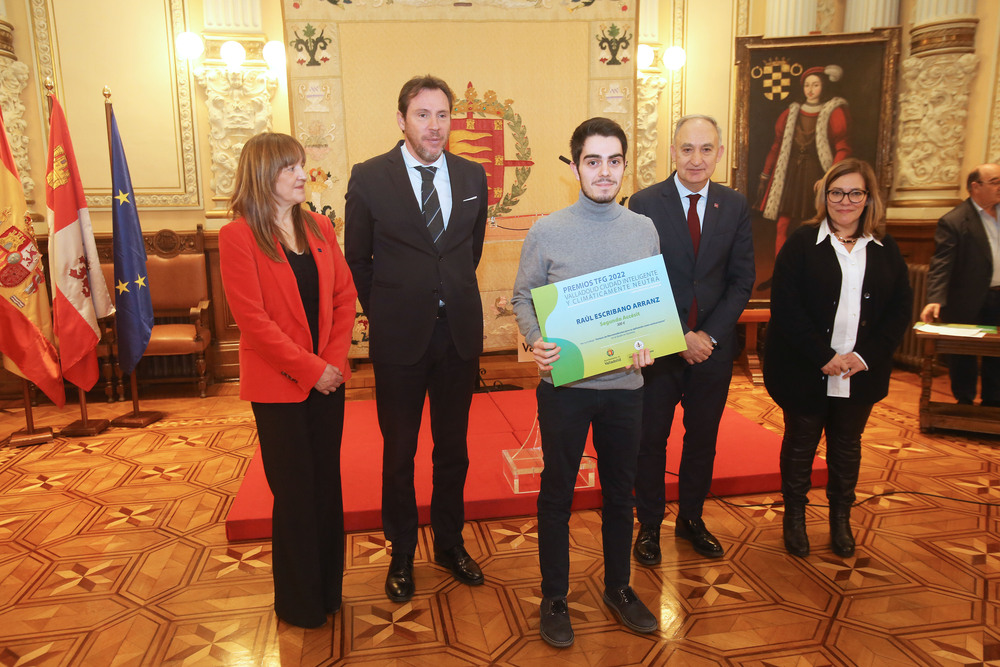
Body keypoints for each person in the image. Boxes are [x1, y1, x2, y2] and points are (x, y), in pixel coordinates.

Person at [511, 117, 660, 648]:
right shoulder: (547, 230)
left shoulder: (643, 230)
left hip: (625, 390)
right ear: (575, 166)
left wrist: (650, 339)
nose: (604, 171)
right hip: (566, 389)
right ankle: (554, 596)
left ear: (624, 164)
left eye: (613, 160)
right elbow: (523, 296)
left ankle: (619, 588)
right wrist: (535, 341)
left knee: (622, 493)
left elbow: (649, 307)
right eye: (592, 161)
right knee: (557, 492)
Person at [344, 75, 489, 603]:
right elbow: (356, 259)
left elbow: (465, 252)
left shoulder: (472, 175)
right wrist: (387, 308)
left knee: (454, 449)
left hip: (458, 337)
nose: (434, 125)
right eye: (423, 114)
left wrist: (441, 293)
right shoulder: (368, 177)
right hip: (400, 340)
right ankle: (402, 552)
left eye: (443, 115)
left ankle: (450, 542)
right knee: (400, 450)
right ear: (402, 118)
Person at [219, 132, 358, 628]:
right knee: (295, 492)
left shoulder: (320, 226)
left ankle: (328, 591)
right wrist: (311, 369)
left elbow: (344, 296)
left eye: (302, 165)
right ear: (263, 176)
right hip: (280, 387)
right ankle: (300, 603)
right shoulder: (237, 236)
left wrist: (333, 364)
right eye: (291, 168)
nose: (304, 174)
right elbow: (253, 321)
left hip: (327, 381)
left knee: (327, 486)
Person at [763, 158, 910, 558]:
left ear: (868, 199)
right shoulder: (801, 243)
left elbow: (900, 309)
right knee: (801, 443)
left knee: (847, 445)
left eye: (854, 193)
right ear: (824, 196)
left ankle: (840, 520)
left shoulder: (885, 247)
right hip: (805, 369)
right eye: (836, 192)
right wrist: (823, 356)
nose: (845, 201)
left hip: (861, 372)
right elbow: (786, 307)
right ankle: (794, 519)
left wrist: (864, 356)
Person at [629, 115, 755, 565]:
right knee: (650, 440)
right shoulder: (643, 202)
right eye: (687, 149)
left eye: (706, 149)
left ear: (718, 154)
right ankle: (647, 525)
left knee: (702, 440)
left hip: (712, 353)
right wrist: (678, 335)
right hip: (659, 350)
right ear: (672, 152)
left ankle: (692, 520)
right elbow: (639, 280)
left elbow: (743, 281)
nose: (696, 158)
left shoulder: (734, 205)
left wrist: (708, 337)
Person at [757, 65, 851, 283]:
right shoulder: (790, 113)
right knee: (783, 223)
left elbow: (843, 148)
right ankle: (781, 272)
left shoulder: (834, 111)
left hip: (818, 176)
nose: (811, 90)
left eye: (815, 85)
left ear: (823, 86)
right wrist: (765, 174)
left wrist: (829, 177)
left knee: (816, 225)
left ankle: (813, 273)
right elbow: (777, 146)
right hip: (792, 175)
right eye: (807, 85)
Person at [920, 164, 1000, 406]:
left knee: (997, 356)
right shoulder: (954, 221)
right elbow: (942, 264)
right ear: (976, 187)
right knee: (963, 356)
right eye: (995, 181)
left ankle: (993, 405)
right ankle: (964, 404)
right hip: (967, 300)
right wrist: (934, 299)